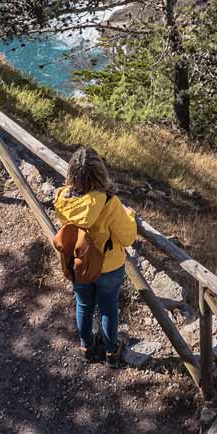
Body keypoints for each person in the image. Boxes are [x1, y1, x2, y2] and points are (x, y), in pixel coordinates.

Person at [52, 147, 140, 365]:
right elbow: (128, 238)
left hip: (78, 263)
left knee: (83, 304)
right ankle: (112, 353)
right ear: (101, 173)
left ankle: (86, 347)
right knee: (108, 308)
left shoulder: (63, 198)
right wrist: (129, 215)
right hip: (108, 266)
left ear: (71, 173)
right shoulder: (109, 203)